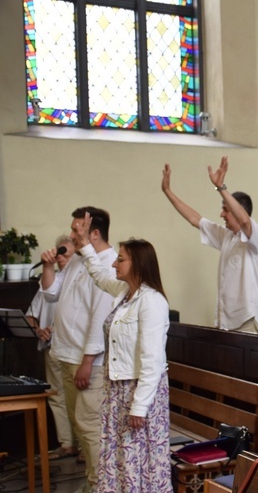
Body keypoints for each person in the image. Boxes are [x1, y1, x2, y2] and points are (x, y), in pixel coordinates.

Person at [69, 213, 171, 492]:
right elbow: (100, 277)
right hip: (118, 390)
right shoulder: (125, 292)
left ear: (138, 264)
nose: (115, 262)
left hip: (139, 391)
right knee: (119, 459)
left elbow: (153, 360)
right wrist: (85, 246)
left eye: (121, 258)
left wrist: (140, 405)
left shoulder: (151, 302)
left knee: (138, 460)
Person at [41, 207, 118, 492]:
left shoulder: (109, 263)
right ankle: (91, 481)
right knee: (80, 426)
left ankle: (100, 485)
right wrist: (48, 266)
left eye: (77, 230)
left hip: (89, 361)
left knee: (90, 427)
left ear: (93, 233)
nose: (71, 236)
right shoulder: (76, 261)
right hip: (66, 353)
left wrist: (88, 361)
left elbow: (100, 317)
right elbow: (50, 294)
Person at [162, 156, 258, 332]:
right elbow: (195, 219)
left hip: (247, 320)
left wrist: (221, 187)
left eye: (226, 210)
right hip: (226, 320)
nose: (221, 214)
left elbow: (244, 222)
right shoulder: (227, 236)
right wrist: (167, 191)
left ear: (239, 211)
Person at [26, 235, 78, 460]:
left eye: (66, 254)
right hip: (51, 346)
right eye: (59, 255)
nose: (61, 259)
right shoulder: (49, 280)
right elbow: (30, 315)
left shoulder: (81, 279)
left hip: (74, 349)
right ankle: (66, 444)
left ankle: (84, 446)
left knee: (77, 397)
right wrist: (38, 330)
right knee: (56, 396)